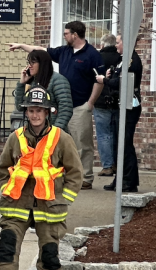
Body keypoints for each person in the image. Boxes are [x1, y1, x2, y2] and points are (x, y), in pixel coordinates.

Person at [0, 86, 82, 270]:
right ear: (25, 112)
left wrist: (63, 200)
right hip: (17, 206)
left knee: (49, 253)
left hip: (49, 208)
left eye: (40, 110)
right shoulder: (15, 138)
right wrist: (7, 190)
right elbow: (3, 169)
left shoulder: (61, 139)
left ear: (47, 112)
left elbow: (75, 173)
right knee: (7, 248)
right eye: (31, 110)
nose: (35, 115)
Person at [9, 20, 102, 189]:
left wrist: (90, 103)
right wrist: (22, 48)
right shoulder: (63, 52)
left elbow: (99, 80)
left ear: (74, 34)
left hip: (79, 105)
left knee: (81, 144)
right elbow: (42, 52)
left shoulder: (92, 55)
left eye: (66, 33)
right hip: (56, 112)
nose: (64, 36)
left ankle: (85, 178)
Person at [98, 35, 143, 193]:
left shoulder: (131, 61)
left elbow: (123, 83)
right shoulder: (122, 59)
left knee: (125, 144)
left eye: (118, 43)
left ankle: (129, 181)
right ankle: (120, 179)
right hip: (121, 105)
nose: (116, 46)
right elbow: (117, 77)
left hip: (130, 106)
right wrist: (110, 75)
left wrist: (104, 80)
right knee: (119, 144)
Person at [13, 49, 73, 132]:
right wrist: (21, 84)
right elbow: (20, 107)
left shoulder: (58, 80)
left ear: (42, 64)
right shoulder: (32, 82)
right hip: (35, 132)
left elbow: (66, 110)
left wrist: (55, 131)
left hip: (53, 131)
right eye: (28, 63)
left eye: (33, 63)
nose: (29, 66)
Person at [93, 33, 122, 178]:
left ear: (102, 44)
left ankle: (107, 166)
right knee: (116, 133)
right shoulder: (120, 58)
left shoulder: (97, 59)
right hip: (117, 101)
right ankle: (117, 163)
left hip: (100, 101)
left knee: (103, 134)